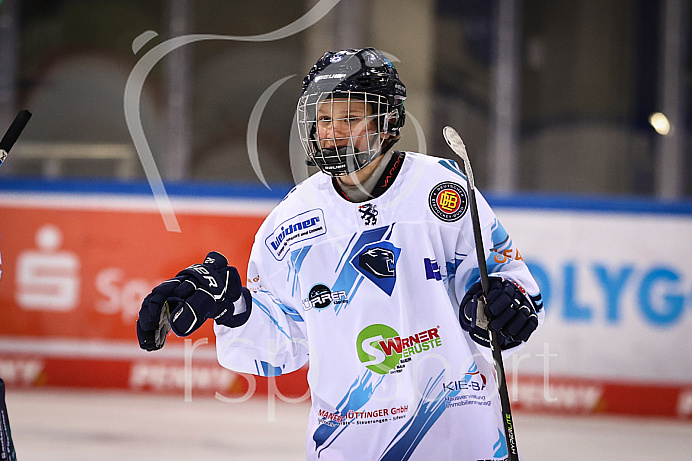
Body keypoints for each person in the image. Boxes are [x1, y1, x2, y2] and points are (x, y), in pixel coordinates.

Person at [137, 48, 543, 460]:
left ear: (388, 122)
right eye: (325, 119)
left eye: (350, 119)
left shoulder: (441, 190)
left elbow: (512, 290)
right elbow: (281, 347)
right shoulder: (290, 222)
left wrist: (504, 307)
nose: (332, 132)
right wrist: (234, 308)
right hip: (349, 446)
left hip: (459, 439)